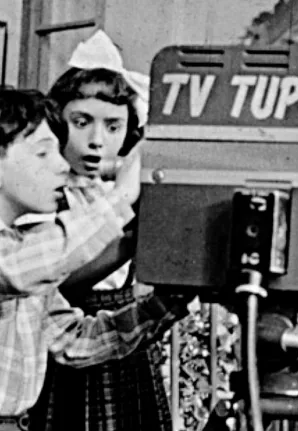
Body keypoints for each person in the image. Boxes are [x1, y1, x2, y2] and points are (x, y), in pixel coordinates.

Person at [0, 88, 191, 431]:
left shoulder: (21, 247)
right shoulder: (21, 260)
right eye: (42, 153)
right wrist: (122, 195)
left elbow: (76, 340)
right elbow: (28, 264)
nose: (62, 165)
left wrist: (169, 302)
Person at [27, 31, 173, 431]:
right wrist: (127, 242)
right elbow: (57, 281)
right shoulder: (43, 195)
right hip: (67, 345)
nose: (96, 141)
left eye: (113, 127)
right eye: (81, 123)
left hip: (124, 341)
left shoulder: (124, 192)